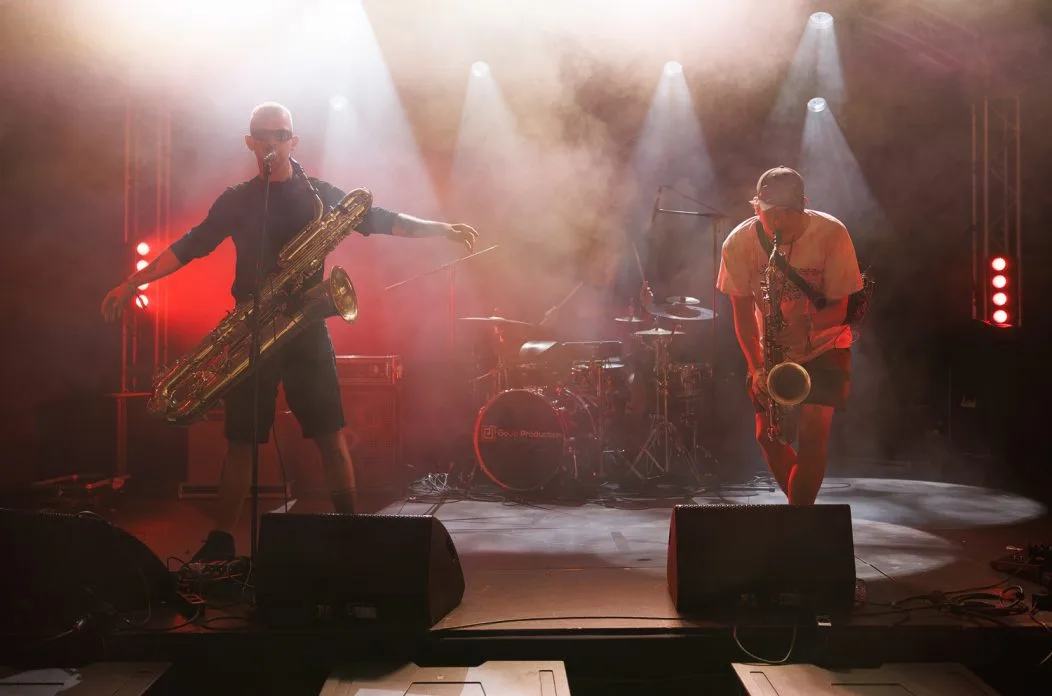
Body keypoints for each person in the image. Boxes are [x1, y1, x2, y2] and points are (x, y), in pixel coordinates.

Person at [101, 102, 478, 559]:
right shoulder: (237, 199)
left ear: (293, 141)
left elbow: (379, 219)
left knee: (330, 436)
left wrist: (442, 230)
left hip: (306, 327)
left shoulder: (318, 195)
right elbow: (190, 245)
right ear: (249, 141)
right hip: (251, 333)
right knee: (241, 443)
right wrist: (132, 282)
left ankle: (352, 532)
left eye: (281, 134)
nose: (272, 142)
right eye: (263, 134)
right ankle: (220, 543)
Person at [716, 166, 862, 505]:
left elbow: (840, 308)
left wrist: (805, 325)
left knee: (812, 434)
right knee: (767, 437)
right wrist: (756, 368)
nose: (779, 222)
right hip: (773, 351)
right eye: (771, 214)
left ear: (803, 205)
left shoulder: (832, 233)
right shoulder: (738, 243)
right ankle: (802, 514)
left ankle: (798, 518)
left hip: (825, 345)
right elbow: (742, 313)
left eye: (787, 214)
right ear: (756, 208)